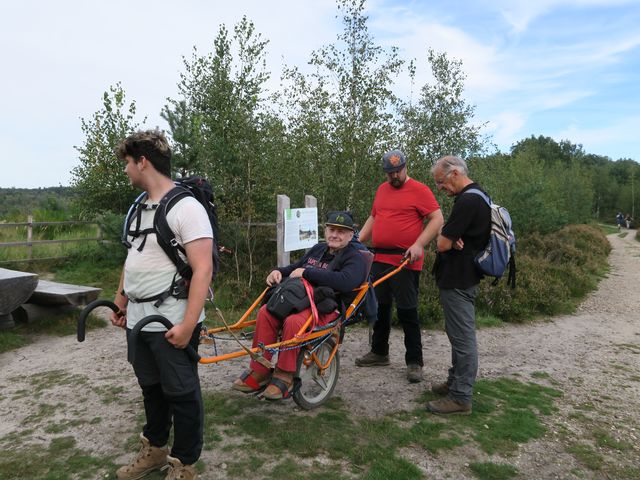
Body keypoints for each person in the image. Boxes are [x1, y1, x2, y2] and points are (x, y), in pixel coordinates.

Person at [111, 130, 213, 480]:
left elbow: (202, 270)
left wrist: (187, 325)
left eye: (127, 162)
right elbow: (132, 257)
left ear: (143, 161)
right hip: (139, 321)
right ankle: (155, 450)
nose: (125, 170)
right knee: (151, 388)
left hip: (172, 319)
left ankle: (184, 465)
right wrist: (120, 299)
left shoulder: (187, 208)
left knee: (182, 393)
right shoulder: (138, 207)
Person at [232, 211, 368, 400]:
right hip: (300, 300)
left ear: (351, 235)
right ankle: (260, 370)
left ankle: (284, 375)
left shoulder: (354, 258)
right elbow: (293, 269)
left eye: (341, 232)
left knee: (294, 322)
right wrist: (277, 272)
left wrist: (307, 273)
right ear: (325, 230)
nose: (335, 235)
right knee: (265, 312)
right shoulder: (318, 250)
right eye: (332, 229)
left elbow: (345, 281)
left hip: (326, 307)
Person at [355, 149, 443, 383]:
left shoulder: (420, 190)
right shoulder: (382, 190)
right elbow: (374, 217)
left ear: (405, 167)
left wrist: (418, 245)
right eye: (389, 172)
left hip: (406, 260)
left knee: (407, 311)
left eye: (398, 171)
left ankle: (414, 361)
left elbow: (437, 219)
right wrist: (358, 239)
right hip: (379, 258)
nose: (394, 176)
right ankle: (379, 352)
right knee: (380, 307)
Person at [427, 155, 491, 415]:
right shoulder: (480, 195)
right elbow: (448, 238)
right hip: (465, 275)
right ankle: (455, 382)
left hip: (458, 278)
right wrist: (451, 238)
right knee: (457, 334)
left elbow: (442, 242)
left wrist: (448, 239)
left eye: (441, 182)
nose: (440, 188)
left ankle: (461, 397)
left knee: (463, 339)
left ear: (454, 173)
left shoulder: (468, 200)